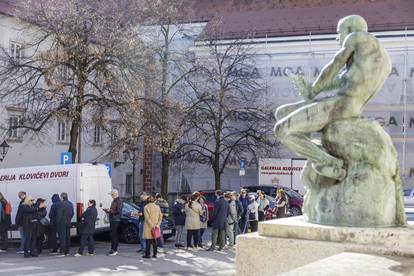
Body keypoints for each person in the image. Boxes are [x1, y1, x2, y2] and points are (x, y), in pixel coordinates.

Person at [274, 15, 392, 181]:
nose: (337, 37)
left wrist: (312, 91)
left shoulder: (356, 37)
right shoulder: (382, 59)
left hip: (341, 105)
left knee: (282, 130)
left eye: (339, 32)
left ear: (349, 29)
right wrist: (307, 91)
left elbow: (333, 67)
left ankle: (329, 162)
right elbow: (339, 81)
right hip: (351, 107)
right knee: (282, 112)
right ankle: (321, 153)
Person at [103, 189, 123, 256]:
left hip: (115, 220)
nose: (111, 196)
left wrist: (110, 210)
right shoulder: (115, 201)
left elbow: (118, 211)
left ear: (114, 194)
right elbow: (114, 210)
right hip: (113, 219)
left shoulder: (119, 201)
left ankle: (114, 250)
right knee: (112, 235)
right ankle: (113, 249)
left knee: (113, 235)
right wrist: (107, 211)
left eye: (111, 194)